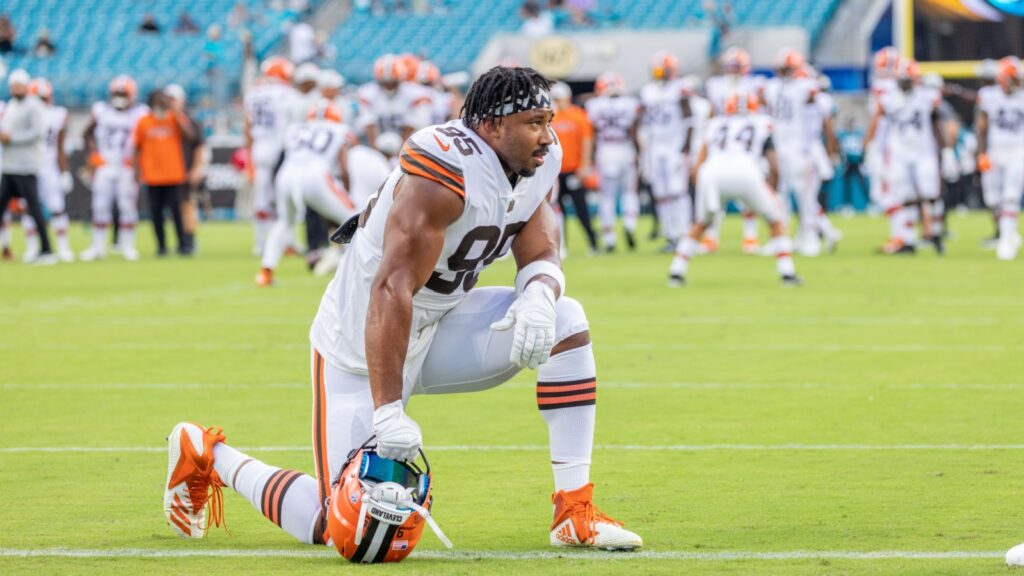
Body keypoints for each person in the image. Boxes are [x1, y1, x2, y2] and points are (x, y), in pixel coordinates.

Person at [163, 66, 642, 552]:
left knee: (566, 319)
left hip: (443, 319)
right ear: (493, 126)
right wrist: (388, 411)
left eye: (548, 120)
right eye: (533, 123)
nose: (547, 136)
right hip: (362, 346)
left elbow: (538, 245)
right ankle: (206, 452)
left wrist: (539, 292)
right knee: (343, 529)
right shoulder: (445, 167)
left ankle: (573, 509)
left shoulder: (538, 157)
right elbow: (391, 289)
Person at [668, 90, 801, 286]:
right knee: (775, 220)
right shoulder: (763, 122)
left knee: (701, 223)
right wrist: (773, 189)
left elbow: (698, 163)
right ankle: (787, 273)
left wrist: (700, 187)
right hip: (746, 171)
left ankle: (676, 271)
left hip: (712, 173)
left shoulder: (715, 123)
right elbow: (774, 165)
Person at [256, 100, 356, 286]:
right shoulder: (339, 129)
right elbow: (344, 168)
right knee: (355, 219)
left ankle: (266, 271)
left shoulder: (294, 128)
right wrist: (347, 195)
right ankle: (359, 270)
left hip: (287, 173)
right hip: (316, 174)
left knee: (285, 222)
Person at [865, 58, 955, 255]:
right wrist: (871, 146)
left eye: (908, 79)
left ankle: (936, 234)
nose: (905, 83)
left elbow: (938, 124)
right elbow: (876, 121)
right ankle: (908, 239)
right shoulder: (888, 98)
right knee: (905, 196)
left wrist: (947, 151)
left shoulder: (926, 97)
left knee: (930, 193)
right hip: (899, 153)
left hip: (924, 152)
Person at [704, 47, 767, 253]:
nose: (732, 70)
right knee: (715, 196)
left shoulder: (755, 85)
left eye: (736, 66)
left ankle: (750, 237)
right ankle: (711, 237)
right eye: (730, 66)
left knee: (748, 195)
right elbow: (712, 112)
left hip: (745, 145)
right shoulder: (716, 85)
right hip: (722, 141)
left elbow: (762, 108)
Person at [81, 76, 148, 261]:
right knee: (100, 206)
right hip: (105, 163)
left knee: (127, 207)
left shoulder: (141, 113)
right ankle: (97, 247)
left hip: (127, 165)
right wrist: (93, 156)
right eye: (117, 93)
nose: (120, 97)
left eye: (123, 93)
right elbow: (87, 133)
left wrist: (138, 164)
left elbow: (145, 141)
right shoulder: (101, 110)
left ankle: (128, 246)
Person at [639, 51, 699, 252]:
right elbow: (646, 122)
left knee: (678, 191)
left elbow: (689, 120)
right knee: (660, 193)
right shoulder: (648, 91)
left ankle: (684, 234)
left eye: (661, 69)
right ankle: (670, 234)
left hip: (674, 145)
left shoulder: (679, 88)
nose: (658, 73)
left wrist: (686, 146)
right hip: (655, 146)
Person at [0, 69, 56, 265]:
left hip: (25, 166)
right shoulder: (12, 105)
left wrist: (11, 138)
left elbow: (37, 132)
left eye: (19, 85)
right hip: (9, 166)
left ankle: (47, 250)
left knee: (34, 208)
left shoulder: (34, 106)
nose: (15, 89)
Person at [244, 56, 296, 256]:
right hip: (279, 145)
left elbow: (247, 126)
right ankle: (284, 242)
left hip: (259, 146)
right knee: (281, 198)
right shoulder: (286, 93)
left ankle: (260, 242)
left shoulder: (254, 93)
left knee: (261, 198)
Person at [133, 90, 195, 256]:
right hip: (152, 175)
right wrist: (136, 171)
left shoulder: (173, 118)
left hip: (173, 174)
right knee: (156, 213)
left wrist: (173, 111)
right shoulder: (144, 121)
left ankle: (183, 245)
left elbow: (190, 134)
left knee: (176, 212)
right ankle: (161, 246)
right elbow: (136, 147)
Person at [975, 56, 1024, 261]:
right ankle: (1009, 232)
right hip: (995, 151)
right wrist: (981, 153)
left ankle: (1005, 241)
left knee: (1010, 197)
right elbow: (981, 126)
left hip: (1018, 151)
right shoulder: (988, 96)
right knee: (992, 199)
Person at [586, 71, 640, 252]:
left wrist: (591, 158)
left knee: (607, 197)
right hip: (625, 148)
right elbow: (633, 131)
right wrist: (638, 154)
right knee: (629, 192)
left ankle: (609, 238)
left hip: (606, 150)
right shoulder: (630, 103)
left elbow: (593, 133)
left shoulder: (594, 105)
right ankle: (630, 224)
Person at [21, 78, 73, 262]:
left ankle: (63, 247)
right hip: (29, 166)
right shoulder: (22, 114)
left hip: (49, 167)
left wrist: (65, 171)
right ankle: (32, 247)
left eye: (43, 98)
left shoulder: (57, 114)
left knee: (57, 207)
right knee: (29, 208)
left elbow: (60, 146)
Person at [550, 81, 598, 254]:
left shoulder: (578, 115)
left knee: (581, 209)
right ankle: (561, 246)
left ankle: (593, 242)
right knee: (556, 211)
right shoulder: (549, 116)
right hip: (555, 172)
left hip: (574, 169)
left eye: (559, 98)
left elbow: (587, 141)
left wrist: (585, 165)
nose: (557, 102)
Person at [165, 84, 205, 255]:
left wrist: (196, 168)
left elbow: (199, 146)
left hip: (184, 169)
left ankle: (189, 241)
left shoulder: (189, 121)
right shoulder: (161, 121)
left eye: (173, 100)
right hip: (166, 172)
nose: (170, 103)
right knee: (171, 209)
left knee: (187, 206)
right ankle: (177, 242)